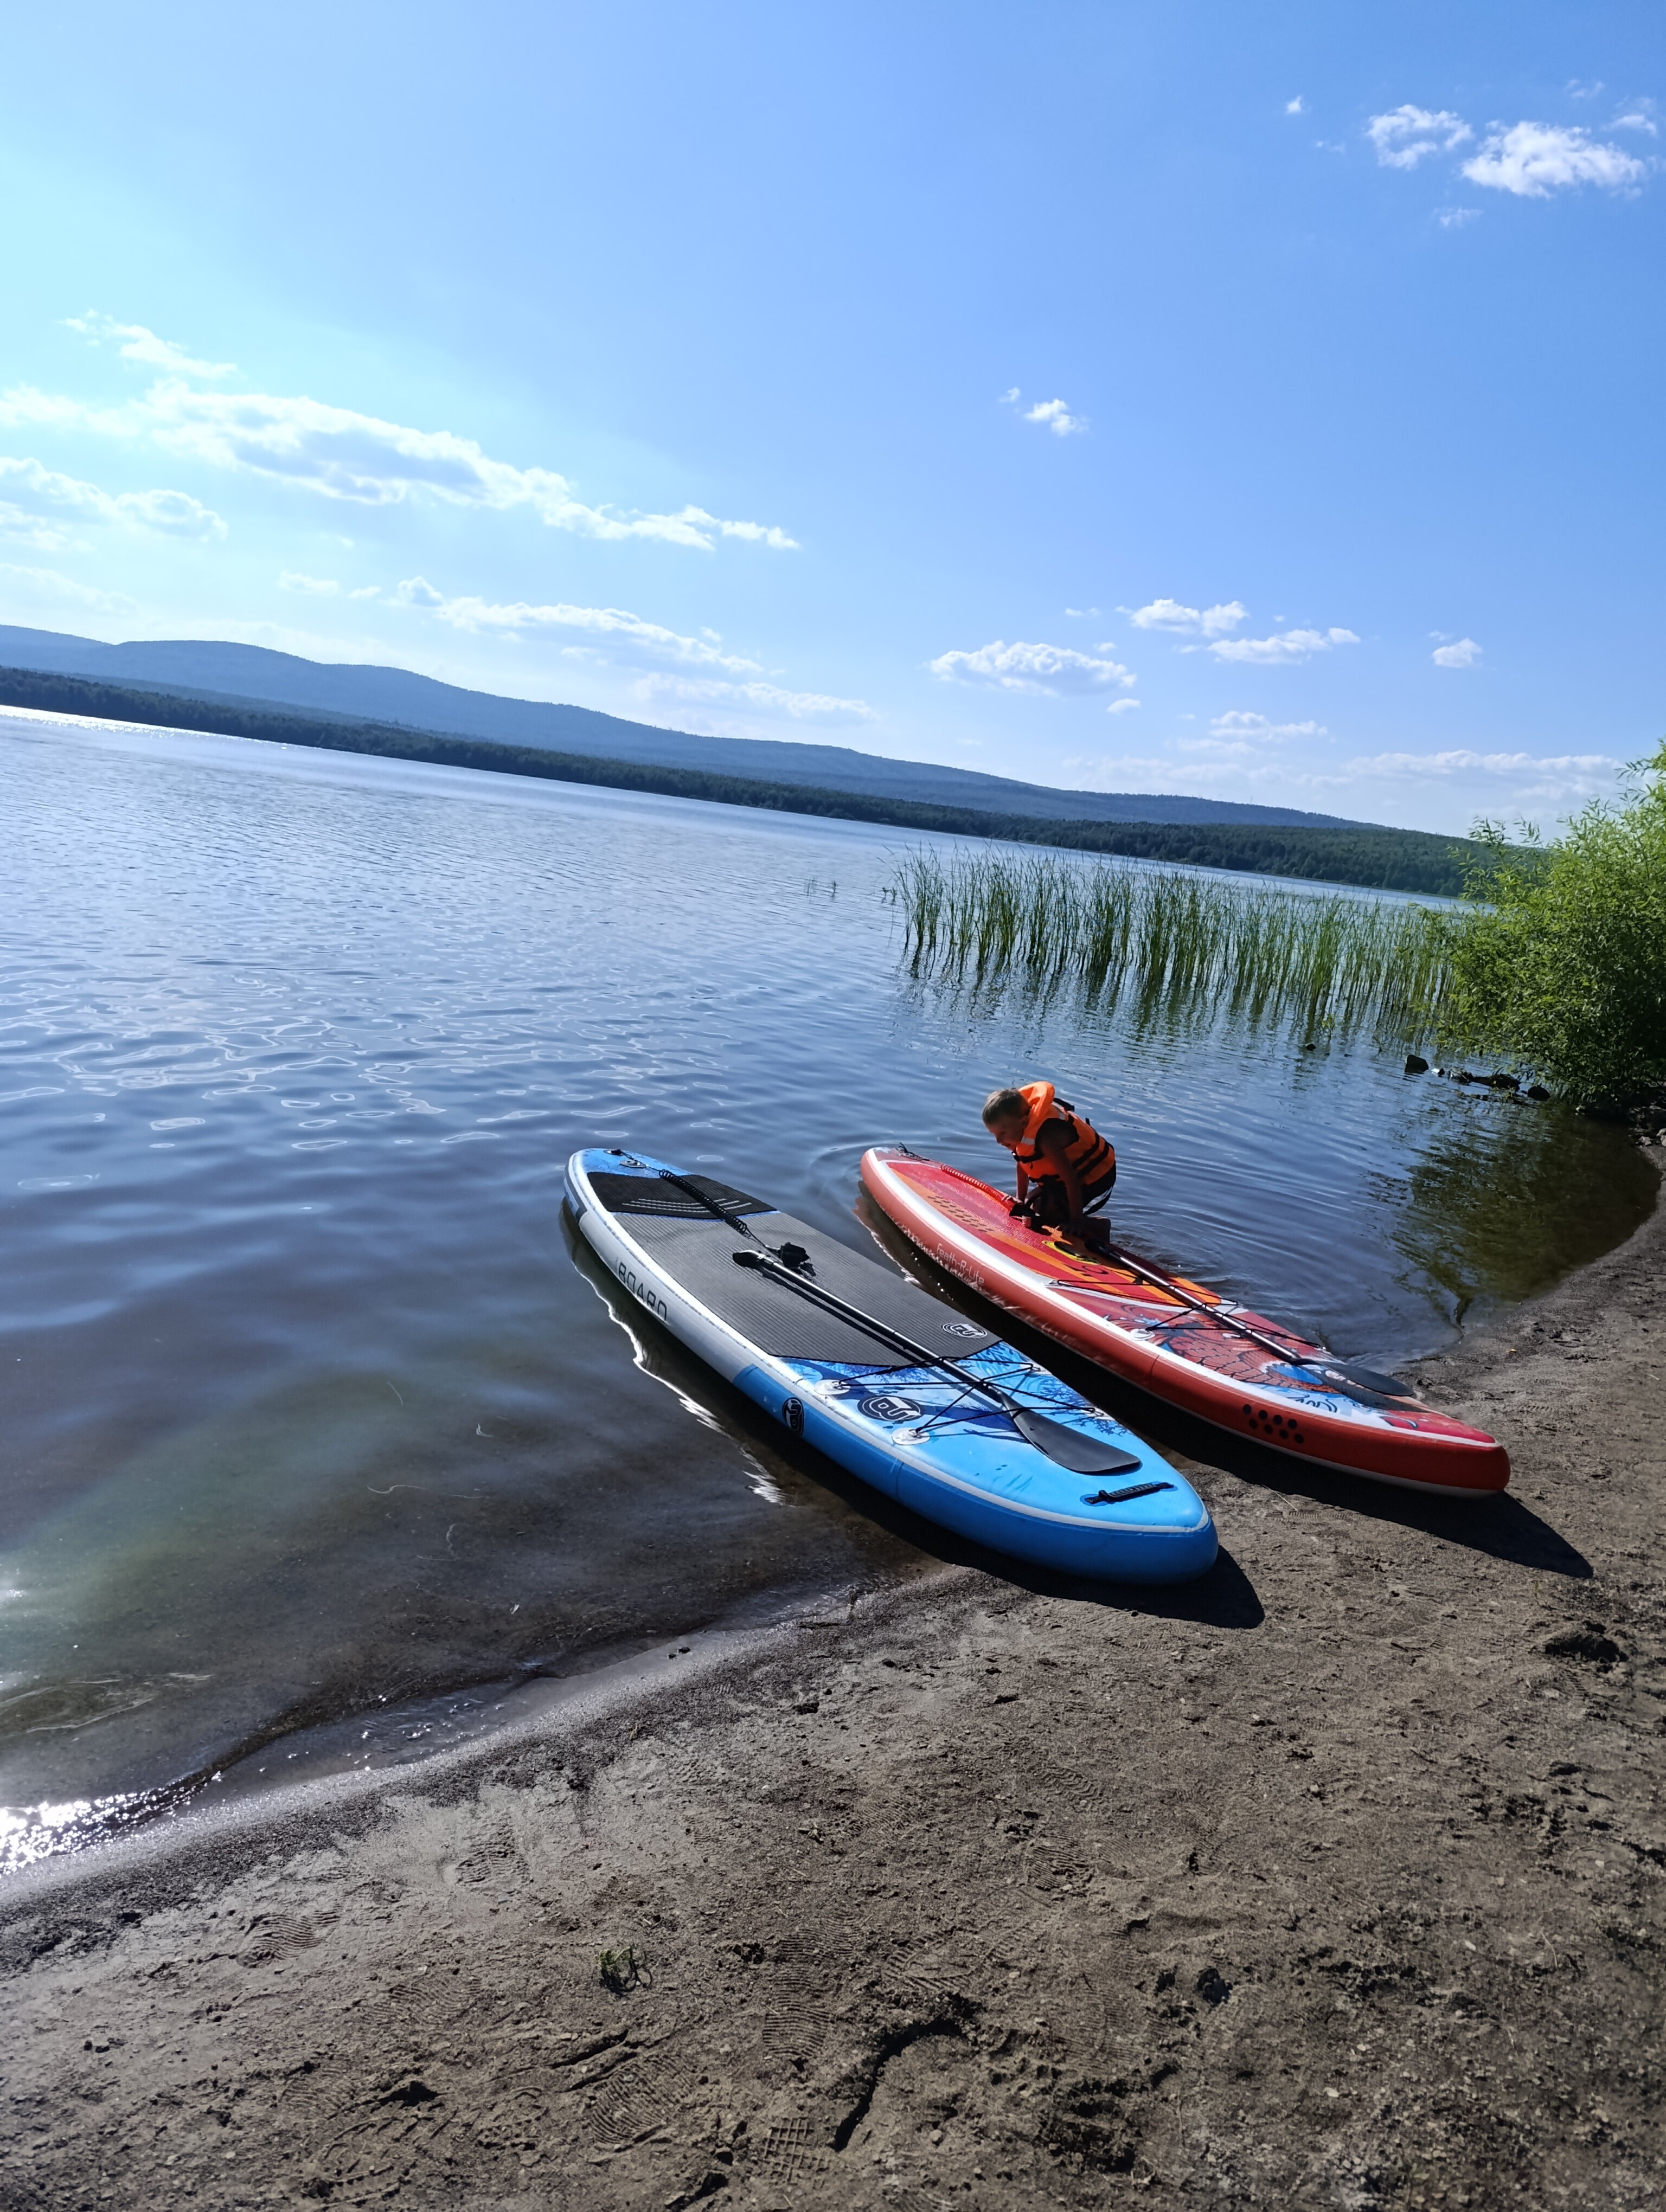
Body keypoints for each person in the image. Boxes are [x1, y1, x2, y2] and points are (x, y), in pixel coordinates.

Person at [982, 1081, 1116, 1249]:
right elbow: (1022, 1164)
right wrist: (1020, 1199)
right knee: (1031, 1208)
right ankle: (1068, 1216)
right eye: (994, 1134)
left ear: (1024, 1123)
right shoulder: (1020, 1132)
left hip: (1096, 1175)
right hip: (1070, 1178)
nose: (998, 1141)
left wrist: (1076, 1221)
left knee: (1049, 1212)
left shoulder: (1046, 1138)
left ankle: (1097, 1226)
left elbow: (1071, 1180)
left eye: (1002, 1133)